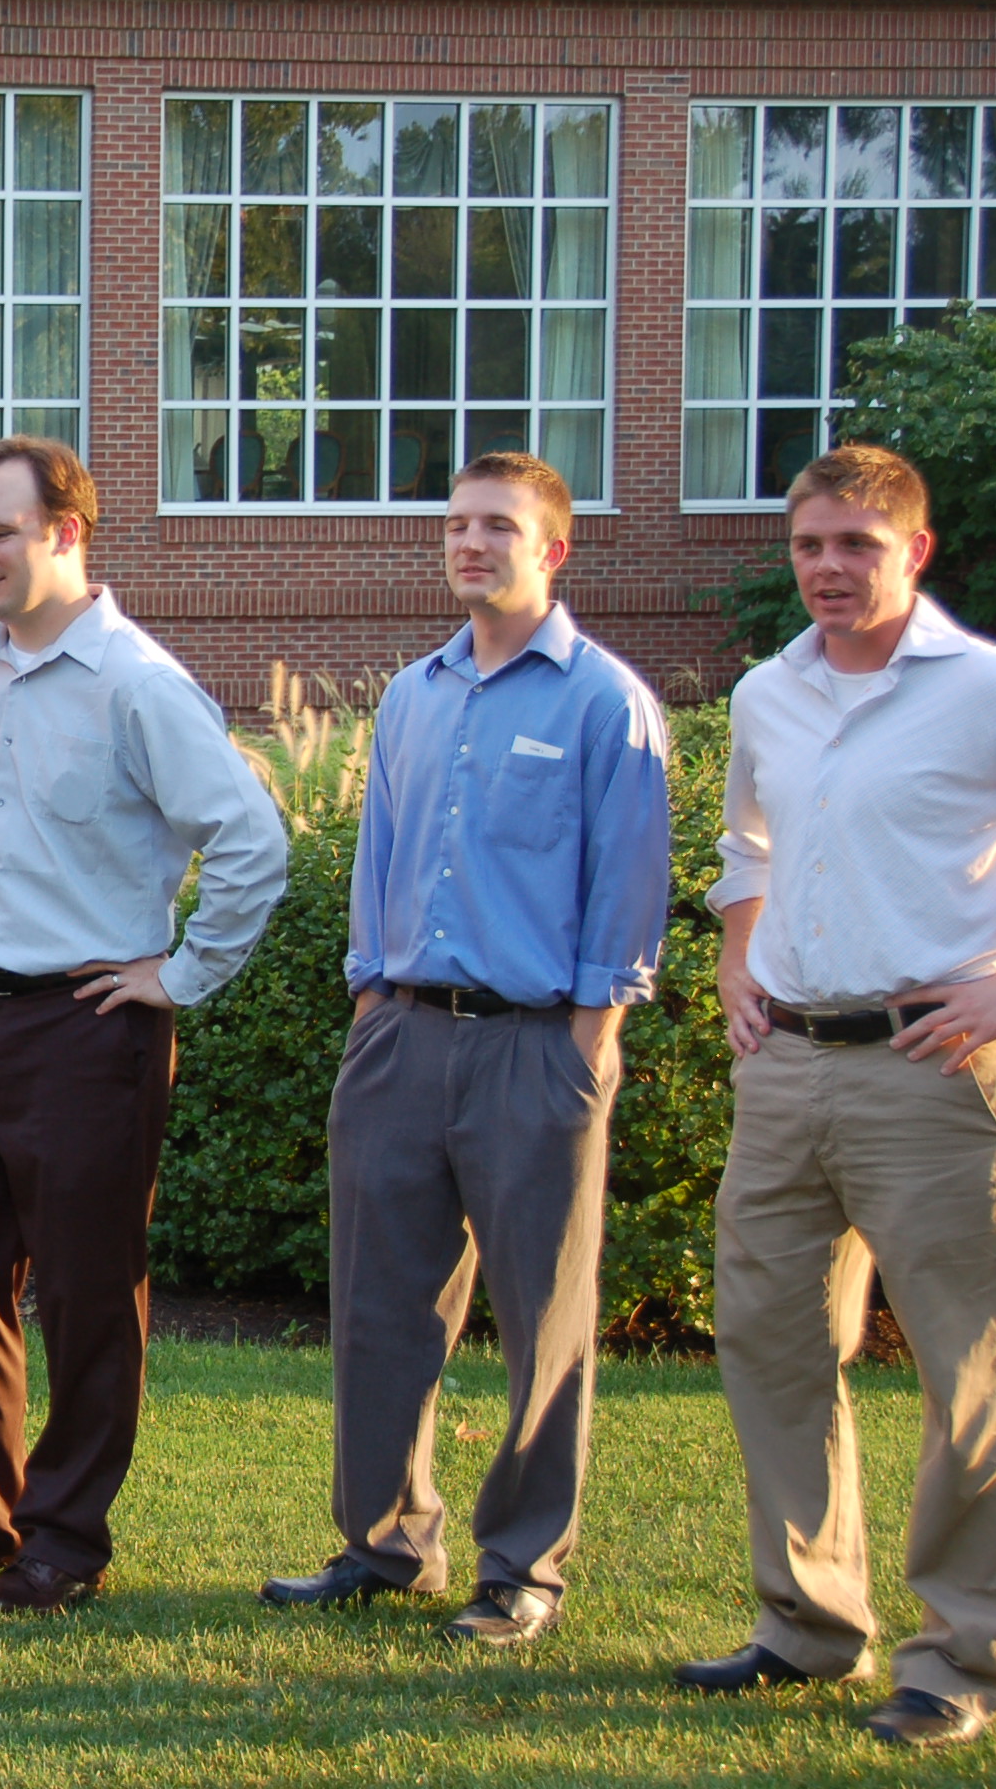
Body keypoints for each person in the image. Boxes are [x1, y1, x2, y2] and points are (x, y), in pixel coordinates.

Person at [257, 450, 671, 1645]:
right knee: (377, 1303)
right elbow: (378, 855)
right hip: (400, 1037)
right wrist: (368, 997)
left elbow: (626, 886)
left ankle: (522, 1567)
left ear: (552, 548)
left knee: (543, 1318)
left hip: (535, 1046)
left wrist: (588, 1038)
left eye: (496, 525)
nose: (469, 543)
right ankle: (383, 1542)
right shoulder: (413, 693)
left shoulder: (605, 702)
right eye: (454, 523)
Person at [0, 436, 288, 1613]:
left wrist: (181, 972)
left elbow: (250, 839)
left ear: (64, 531)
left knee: (86, 1291)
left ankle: (63, 1540)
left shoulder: (136, 682)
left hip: (87, 1026)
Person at [673, 445, 996, 1749]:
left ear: (914, 552)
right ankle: (807, 1621)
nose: (826, 568)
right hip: (787, 1069)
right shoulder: (769, 693)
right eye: (809, 545)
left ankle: (964, 1656)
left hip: (934, 1072)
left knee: (969, 1373)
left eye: (855, 546)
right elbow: (747, 845)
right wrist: (736, 960)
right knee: (769, 1342)